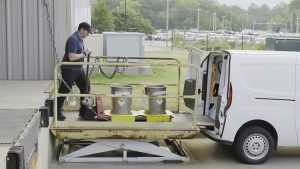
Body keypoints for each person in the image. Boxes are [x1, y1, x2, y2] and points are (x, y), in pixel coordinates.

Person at [56, 22, 92, 121]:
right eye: (87, 32)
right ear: (82, 30)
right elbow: (71, 57)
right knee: (64, 90)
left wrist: (85, 53)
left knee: (86, 86)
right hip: (70, 69)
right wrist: (84, 53)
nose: (88, 34)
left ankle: (83, 111)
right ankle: (56, 112)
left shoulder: (80, 39)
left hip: (78, 69)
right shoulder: (73, 39)